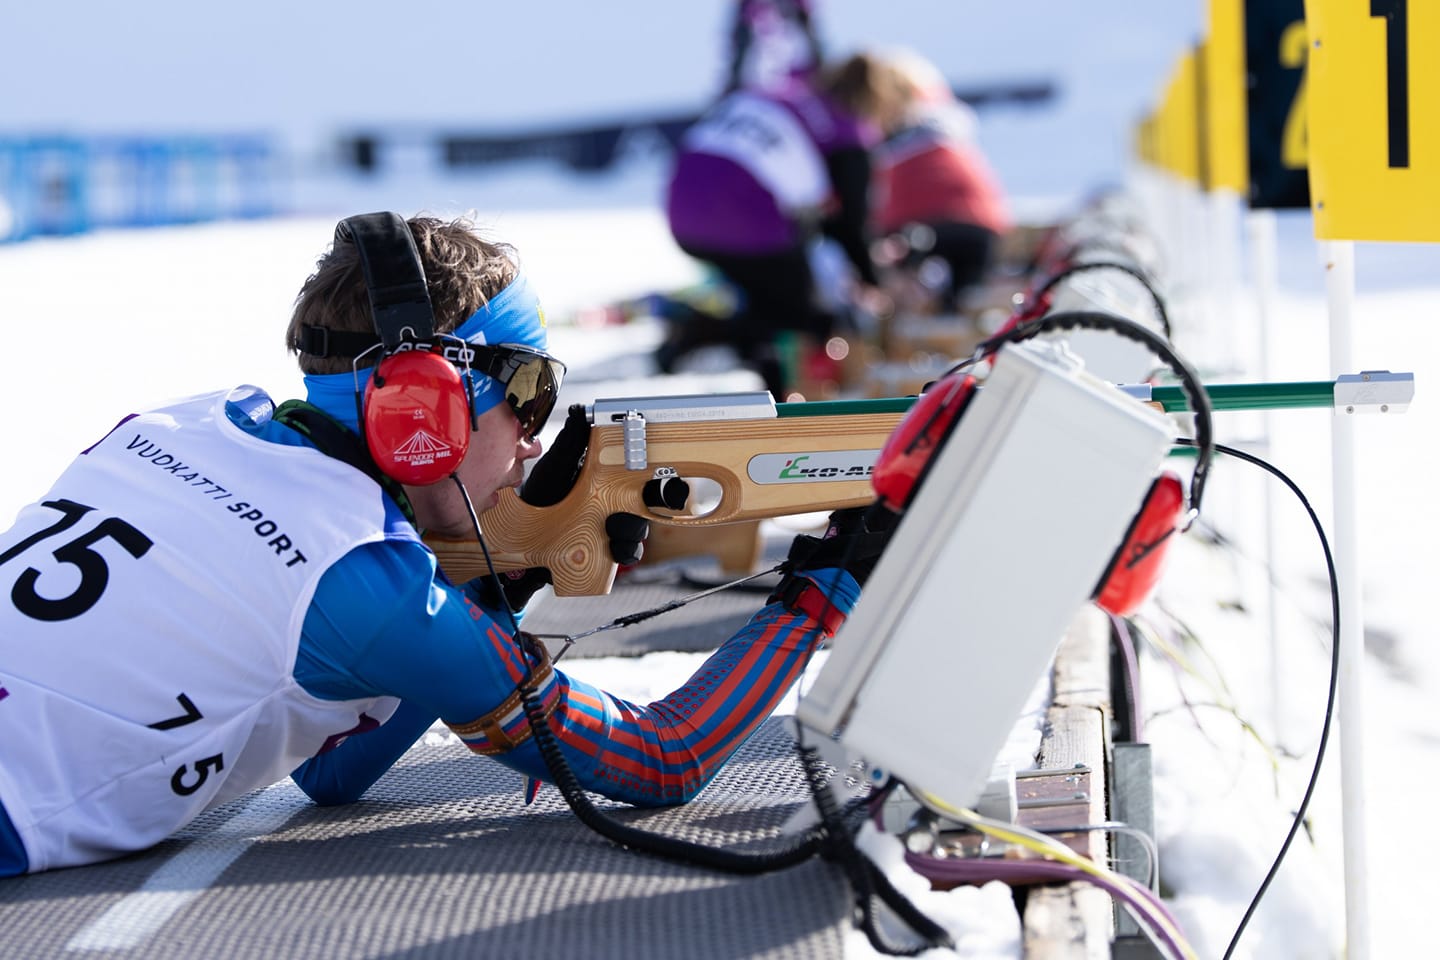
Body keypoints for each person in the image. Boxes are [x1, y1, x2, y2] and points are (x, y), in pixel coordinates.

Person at [0, 212, 896, 875]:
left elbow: (335, 772)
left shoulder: (186, 421)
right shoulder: (365, 588)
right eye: (533, 394)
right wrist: (823, 588)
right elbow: (663, 759)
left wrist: (503, 574)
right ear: (433, 402)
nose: (537, 439)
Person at [662, 51, 906, 400]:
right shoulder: (847, 129)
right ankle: (707, 335)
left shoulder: (788, 95)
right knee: (805, 313)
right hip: (739, 216)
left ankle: (763, 378)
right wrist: (874, 280)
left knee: (772, 302)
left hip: (683, 208)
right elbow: (850, 224)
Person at [871, 50, 1012, 315]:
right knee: (966, 305)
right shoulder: (950, 126)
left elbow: (877, 203)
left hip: (918, 228)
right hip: (983, 221)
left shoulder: (886, 139)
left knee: (892, 281)